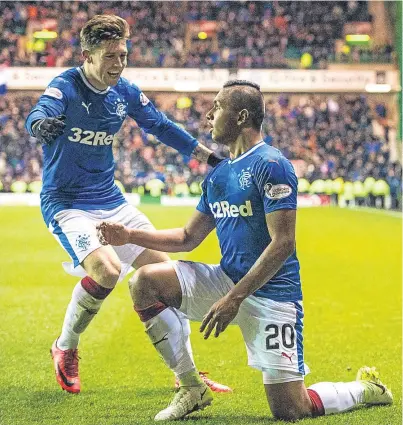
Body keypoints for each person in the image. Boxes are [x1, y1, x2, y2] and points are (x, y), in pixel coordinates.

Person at [97, 80, 393, 421]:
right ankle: (192, 386)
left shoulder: (272, 164)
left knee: (291, 410)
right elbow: (186, 238)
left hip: (272, 294)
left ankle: (364, 389)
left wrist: (234, 298)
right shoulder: (219, 174)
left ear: (240, 117)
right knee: (144, 282)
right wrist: (129, 235)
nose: (208, 115)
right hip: (228, 281)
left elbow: (282, 243)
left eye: (217, 107)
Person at [24, 14, 231, 395]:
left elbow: (161, 125)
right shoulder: (65, 86)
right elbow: (39, 113)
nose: (118, 64)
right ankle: (65, 347)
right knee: (106, 270)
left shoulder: (126, 92)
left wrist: (206, 156)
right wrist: (39, 126)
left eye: (123, 55)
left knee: (166, 280)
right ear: (87, 55)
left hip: (112, 200)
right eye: (110, 57)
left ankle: (186, 373)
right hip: (68, 204)